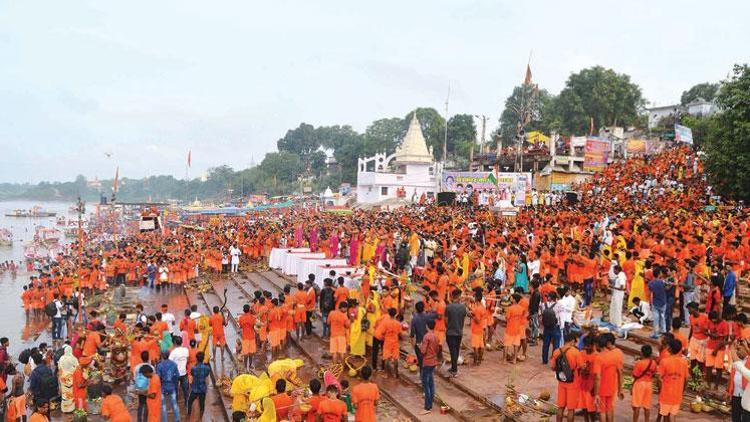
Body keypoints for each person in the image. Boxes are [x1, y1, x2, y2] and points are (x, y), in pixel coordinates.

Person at [550, 332, 583, 422]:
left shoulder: (557, 351)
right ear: (572, 341)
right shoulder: (576, 352)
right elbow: (581, 366)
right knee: (571, 409)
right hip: (573, 383)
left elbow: (552, 367)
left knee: (560, 407)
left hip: (561, 382)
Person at [657, 339, 688, 422]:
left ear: (670, 349)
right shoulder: (684, 362)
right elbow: (685, 379)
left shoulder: (664, 361)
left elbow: (659, 378)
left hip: (666, 394)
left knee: (666, 416)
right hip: (677, 394)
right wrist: (682, 392)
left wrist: (660, 390)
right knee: (673, 415)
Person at [597, 333, 623, 422]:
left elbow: (597, 377)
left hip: (602, 388)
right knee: (610, 408)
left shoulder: (600, 357)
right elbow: (620, 372)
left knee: (602, 411)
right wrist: (620, 388)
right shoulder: (618, 353)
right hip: (612, 386)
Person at [419, 319, 441, 415]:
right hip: (433, 361)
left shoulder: (426, 336)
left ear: (427, 326)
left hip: (427, 362)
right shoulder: (436, 336)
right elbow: (437, 349)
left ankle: (427, 407)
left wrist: (420, 346)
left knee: (426, 384)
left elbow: (423, 351)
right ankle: (431, 401)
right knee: (431, 382)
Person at [631, 345, 657, 422]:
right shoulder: (653, 363)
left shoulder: (639, 363)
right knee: (647, 406)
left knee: (637, 406)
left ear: (642, 353)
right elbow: (654, 374)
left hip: (639, 384)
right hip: (649, 384)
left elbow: (635, 375)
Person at [445, 289, 467, 376]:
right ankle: (454, 367)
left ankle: (454, 369)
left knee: (452, 351)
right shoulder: (463, 307)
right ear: (459, 296)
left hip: (450, 332)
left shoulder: (448, 307)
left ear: (452, 296)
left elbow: (446, 321)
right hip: (459, 332)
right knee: (456, 350)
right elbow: (463, 318)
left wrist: (450, 326)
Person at [728, 344, 750, 422]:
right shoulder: (736, 361)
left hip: (745, 395)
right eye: (738, 349)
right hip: (736, 393)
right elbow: (731, 378)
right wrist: (729, 391)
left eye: (741, 349)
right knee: (735, 416)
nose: (739, 351)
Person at [188, 352, 210, 419]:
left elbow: (191, 379)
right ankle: (200, 418)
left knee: (190, 402)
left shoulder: (193, 368)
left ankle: (189, 415)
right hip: (202, 389)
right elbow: (207, 380)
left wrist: (191, 386)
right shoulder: (207, 368)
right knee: (202, 404)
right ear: (203, 359)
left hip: (195, 389)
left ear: (196, 359)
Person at [168, 336, 190, 406]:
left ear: (174, 343)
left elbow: (170, 363)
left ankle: (175, 404)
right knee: (185, 390)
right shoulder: (186, 350)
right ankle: (186, 403)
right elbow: (188, 359)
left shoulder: (173, 352)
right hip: (184, 373)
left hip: (175, 374)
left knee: (175, 390)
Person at [648, 268, 667, 339]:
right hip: (663, 301)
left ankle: (655, 333)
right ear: (659, 274)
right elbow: (667, 288)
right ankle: (663, 332)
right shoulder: (663, 282)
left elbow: (651, 293)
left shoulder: (651, 283)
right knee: (662, 317)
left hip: (655, 301)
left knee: (656, 318)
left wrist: (650, 302)